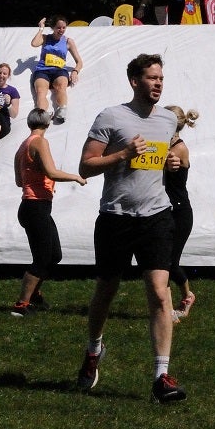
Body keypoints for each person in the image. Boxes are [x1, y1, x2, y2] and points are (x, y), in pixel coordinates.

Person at [75, 53, 187, 403]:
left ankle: (161, 376)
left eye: (161, 79)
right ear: (134, 81)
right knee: (106, 290)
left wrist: (172, 163)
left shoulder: (168, 120)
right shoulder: (111, 117)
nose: (158, 83)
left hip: (156, 216)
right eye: (152, 78)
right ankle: (94, 351)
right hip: (116, 217)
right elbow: (87, 165)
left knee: (158, 292)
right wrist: (122, 154)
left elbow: (169, 160)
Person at [11, 108, 86, 316]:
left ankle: (34, 294)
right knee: (42, 258)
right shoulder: (40, 142)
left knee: (54, 255)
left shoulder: (22, 146)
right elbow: (52, 171)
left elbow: (19, 181)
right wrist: (76, 177)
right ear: (47, 123)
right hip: (35, 206)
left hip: (33, 206)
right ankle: (21, 305)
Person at [165, 105, 199, 323]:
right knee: (166, 262)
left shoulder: (178, 149)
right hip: (167, 209)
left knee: (168, 262)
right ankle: (185, 297)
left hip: (179, 212)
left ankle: (174, 307)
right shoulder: (163, 146)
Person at [30, 16, 83, 124]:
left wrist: (75, 71)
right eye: (58, 28)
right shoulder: (45, 38)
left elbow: (79, 62)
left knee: (61, 87)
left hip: (59, 70)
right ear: (53, 28)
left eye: (64, 27)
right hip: (43, 69)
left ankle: (62, 110)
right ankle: (42, 114)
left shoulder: (68, 41)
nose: (61, 30)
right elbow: (34, 44)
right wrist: (41, 28)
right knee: (40, 91)